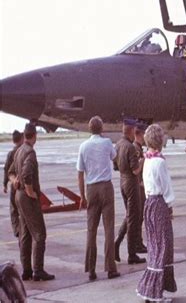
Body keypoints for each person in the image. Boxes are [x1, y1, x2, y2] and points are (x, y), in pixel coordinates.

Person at [8, 123, 55, 281]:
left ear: (24, 135)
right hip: (27, 197)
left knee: (26, 234)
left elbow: (11, 172)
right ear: (34, 135)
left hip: (18, 196)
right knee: (40, 234)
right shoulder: (30, 152)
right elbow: (27, 173)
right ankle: (38, 270)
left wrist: (15, 181)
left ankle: (26, 270)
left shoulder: (19, 150)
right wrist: (30, 191)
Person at [136, 123, 177, 302]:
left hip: (149, 203)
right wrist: (170, 205)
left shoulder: (147, 159)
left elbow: (147, 186)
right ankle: (155, 293)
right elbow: (166, 186)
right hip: (159, 204)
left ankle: (152, 289)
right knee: (163, 245)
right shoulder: (159, 161)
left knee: (154, 245)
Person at [77, 116, 120, 281]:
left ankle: (91, 269)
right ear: (101, 129)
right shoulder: (107, 143)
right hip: (106, 187)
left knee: (91, 230)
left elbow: (80, 174)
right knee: (109, 229)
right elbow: (114, 158)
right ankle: (110, 268)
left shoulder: (83, 146)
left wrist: (82, 196)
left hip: (91, 188)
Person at [114, 118, 146, 265]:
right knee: (133, 219)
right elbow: (135, 171)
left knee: (129, 216)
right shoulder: (131, 147)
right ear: (132, 130)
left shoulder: (118, 144)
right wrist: (143, 161)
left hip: (122, 181)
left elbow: (115, 166)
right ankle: (131, 253)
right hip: (132, 184)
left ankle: (117, 243)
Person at [3, 130, 24, 238]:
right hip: (23, 185)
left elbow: (6, 169)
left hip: (13, 184)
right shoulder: (23, 151)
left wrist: (5, 183)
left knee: (13, 208)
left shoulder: (11, 153)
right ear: (21, 139)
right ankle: (24, 229)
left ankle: (17, 229)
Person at [134, 122, 148, 253]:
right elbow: (136, 169)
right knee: (137, 217)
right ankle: (137, 243)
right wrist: (145, 158)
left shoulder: (137, 147)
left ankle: (137, 242)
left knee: (135, 217)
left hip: (137, 185)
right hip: (137, 186)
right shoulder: (136, 149)